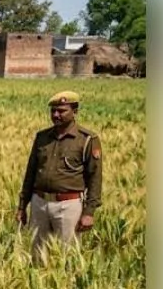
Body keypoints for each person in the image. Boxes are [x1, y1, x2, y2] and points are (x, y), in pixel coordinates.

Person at [17, 91, 102, 266]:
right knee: (37, 256)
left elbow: (95, 178)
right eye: (53, 111)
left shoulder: (87, 140)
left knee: (68, 257)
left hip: (68, 205)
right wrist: (22, 206)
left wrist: (89, 212)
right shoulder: (42, 137)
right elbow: (30, 173)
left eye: (62, 111)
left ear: (75, 111)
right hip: (39, 203)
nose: (56, 115)